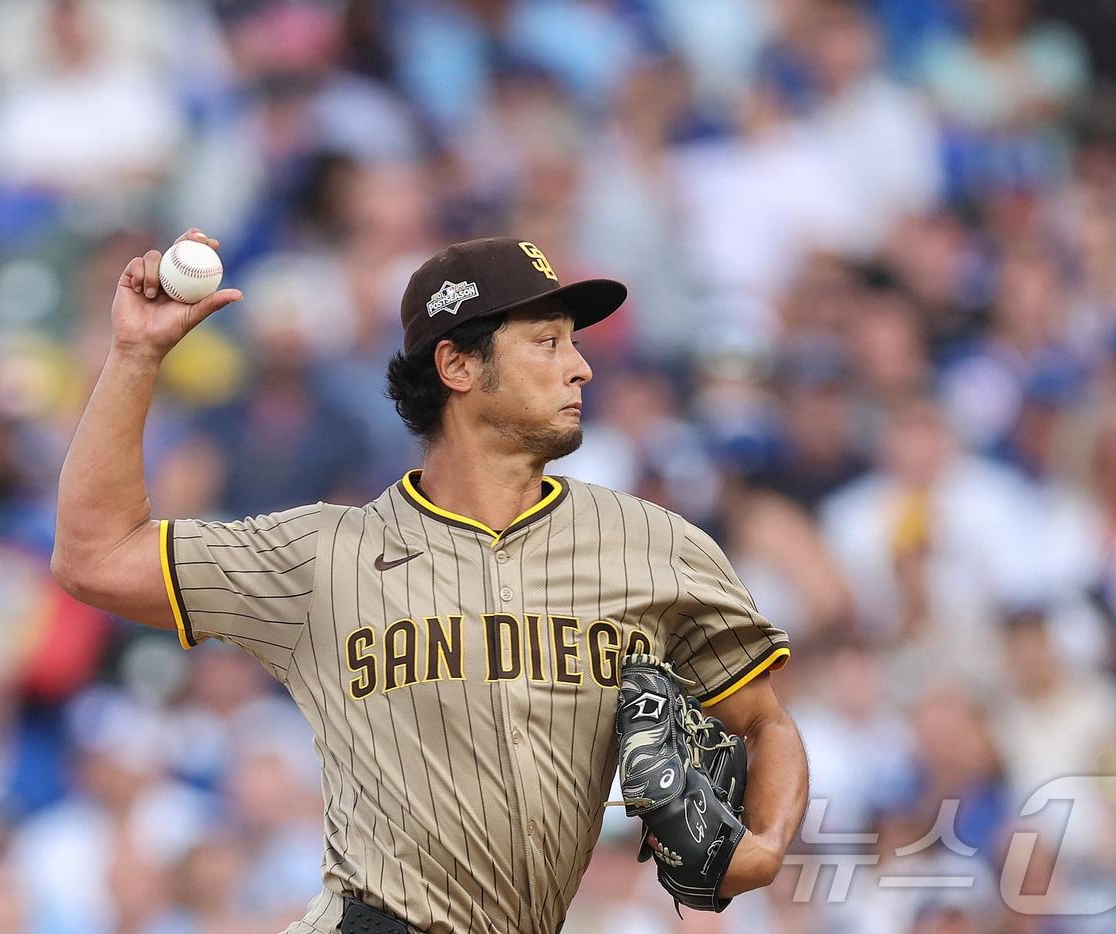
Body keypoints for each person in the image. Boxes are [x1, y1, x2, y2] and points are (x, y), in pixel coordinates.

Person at [52, 230, 809, 933]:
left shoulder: (653, 544)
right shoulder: (325, 554)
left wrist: (765, 847)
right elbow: (94, 557)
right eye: (546, 342)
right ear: (456, 366)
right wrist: (134, 357)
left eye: (574, 343)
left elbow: (764, 723)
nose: (580, 365)